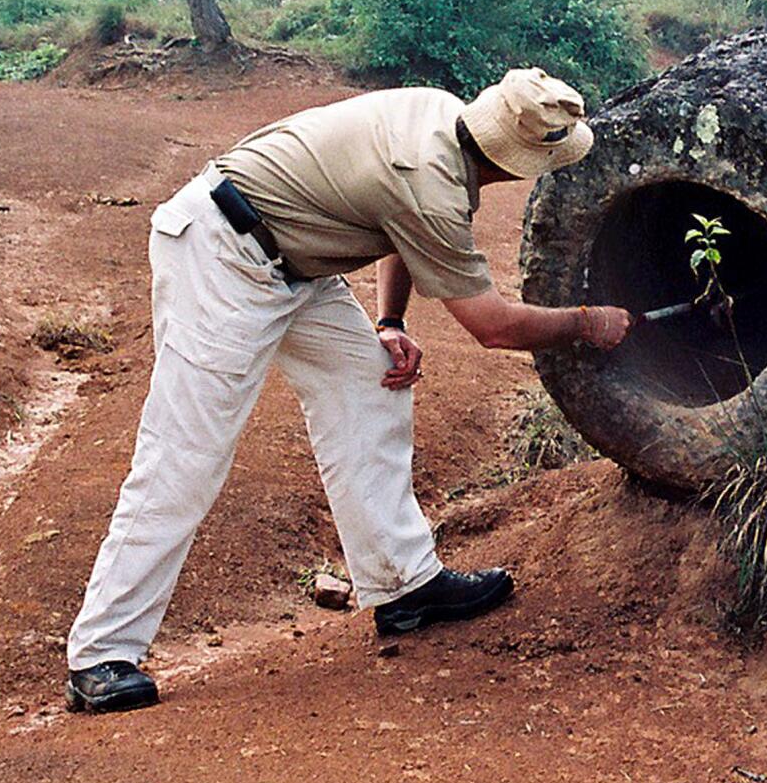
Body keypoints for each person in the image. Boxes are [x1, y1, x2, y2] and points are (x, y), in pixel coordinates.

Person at [64, 68, 633, 714]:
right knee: (187, 451)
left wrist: (390, 322)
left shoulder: (443, 120)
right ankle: (101, 654)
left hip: (295, 260)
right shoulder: (430, 180)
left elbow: (404, 229)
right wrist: (586, 324)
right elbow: (494, 328)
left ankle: (403, 585)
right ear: (524, 160)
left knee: (370, 380)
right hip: (221, 253)